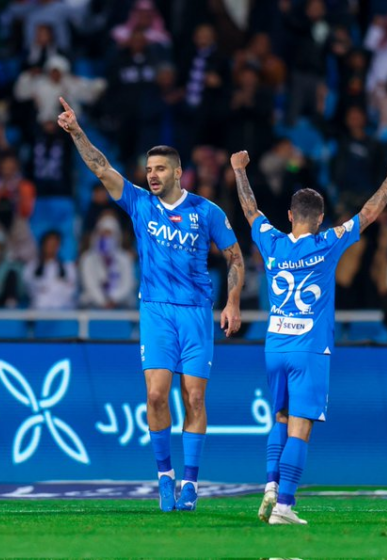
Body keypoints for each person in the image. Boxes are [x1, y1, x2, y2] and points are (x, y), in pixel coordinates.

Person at [57, 97, 245, 512]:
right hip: (156, 310)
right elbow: (101, 167)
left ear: (178, 172)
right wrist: (76, 132)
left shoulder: (206, 211)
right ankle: (164, 477)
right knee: (157, 395)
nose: (152, 175)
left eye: (160, 169)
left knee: (194, 399)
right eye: (149, 169)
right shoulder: (140, 203)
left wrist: (232, 301)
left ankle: (192, 484)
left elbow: (235, 257)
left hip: (196, 312)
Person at [230, 149, 387, 524]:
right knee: (300, 425)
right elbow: (370, 213)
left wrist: (239, 171)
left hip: (275, 345)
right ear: (321, 219)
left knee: (279, 417)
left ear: (291, 216)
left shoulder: (272, 241)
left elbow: (249, 210)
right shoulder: (328, 243)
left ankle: (270, 487)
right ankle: (285, 507)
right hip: (309, 349)